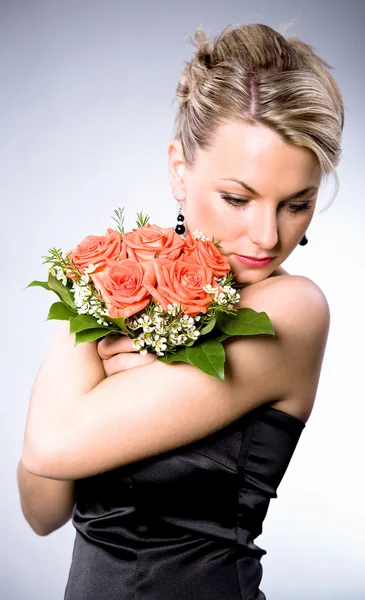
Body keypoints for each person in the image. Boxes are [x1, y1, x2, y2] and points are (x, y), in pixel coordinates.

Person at [18, 22, 344, 600]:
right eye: (237, 198)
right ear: (179, 170)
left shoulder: (293, 311)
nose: (268, 236)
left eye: (297, 205)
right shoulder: (143, 299)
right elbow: (41, 507)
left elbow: (52, 443)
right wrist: (107, 288)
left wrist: (93, 324)